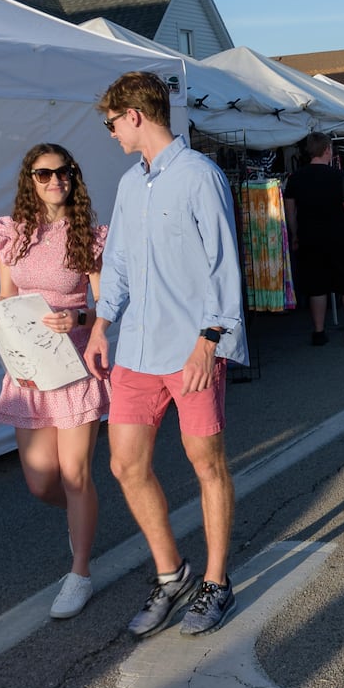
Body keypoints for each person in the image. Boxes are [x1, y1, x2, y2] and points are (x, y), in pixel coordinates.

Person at [82, 71, 246, 639]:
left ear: (134, 115)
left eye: (110, 123)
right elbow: (120, 265)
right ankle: (171, 573)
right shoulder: (130, 184)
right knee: (126, 464)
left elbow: (225, 263)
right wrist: (102, 324)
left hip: (192, 348)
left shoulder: (201, 176)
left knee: (207, 463)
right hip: (137, 349)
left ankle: (217, 582)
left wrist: (209, 341)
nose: (110, 134)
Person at [0, 144, 107, 620]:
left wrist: (77, 315)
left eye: (62, 172)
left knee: (76, 473)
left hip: (74, 365)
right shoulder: (11, 234)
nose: (54, 181)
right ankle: (78, 515)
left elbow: (105, 307)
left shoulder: (89, 234)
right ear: (30, 179)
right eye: (43, 174)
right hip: (27, 368)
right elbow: (7, 298)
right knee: (41, 479)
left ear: (73, 177)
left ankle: (80, 571)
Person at [284, 132, 344, 346]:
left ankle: (318, 332)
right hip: (337, 236)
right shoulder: (337, 176)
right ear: (327, 150)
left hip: (309, 237)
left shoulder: (295, 178)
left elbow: (290, 209)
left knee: (316, 285)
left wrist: (295, 233)